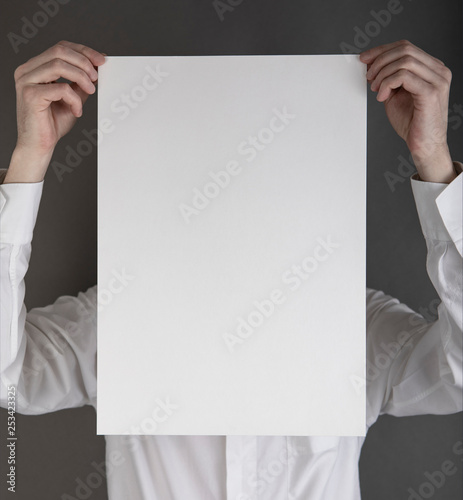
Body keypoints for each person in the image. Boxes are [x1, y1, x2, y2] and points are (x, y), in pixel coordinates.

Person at [0, 39, 461, 500]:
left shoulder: (355, 324)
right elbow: (8, 378)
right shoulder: (117, 317)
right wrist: (28, 161)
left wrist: (435, 159)